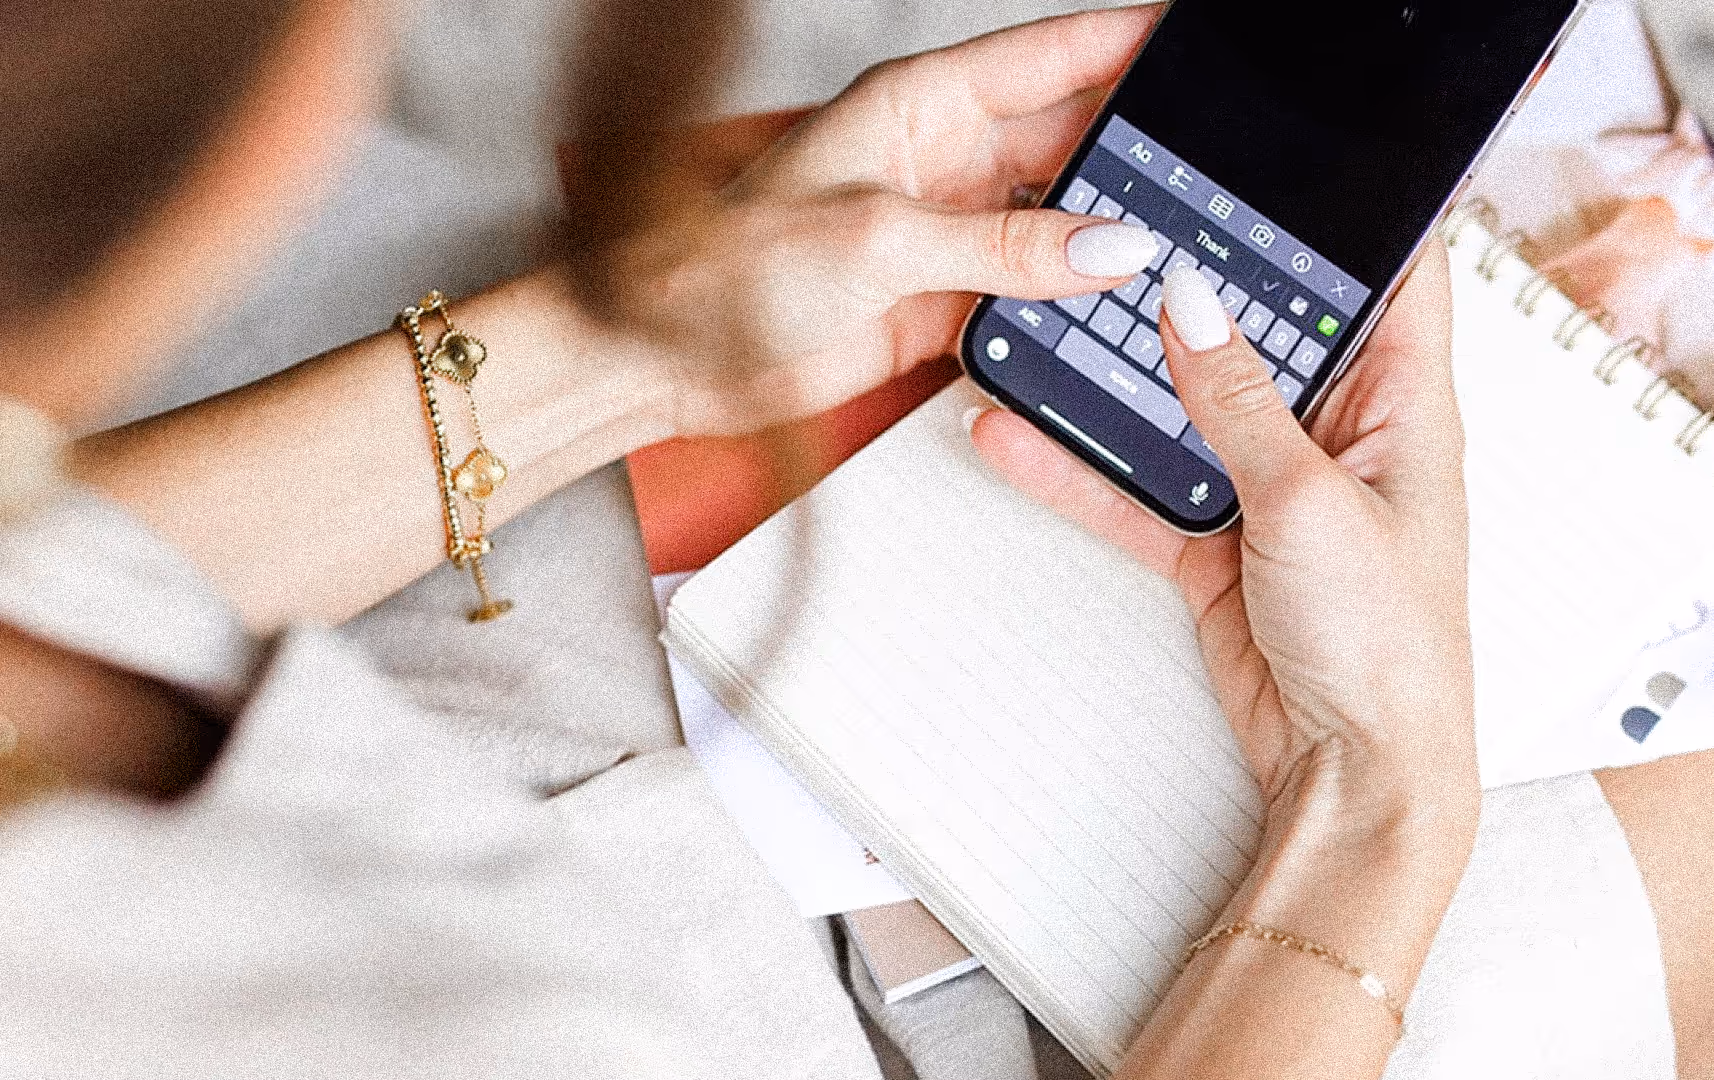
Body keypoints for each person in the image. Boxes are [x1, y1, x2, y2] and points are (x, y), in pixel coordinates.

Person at [0, 2, 1705, 1077]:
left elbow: (46, 593)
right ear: (271, 123)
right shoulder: (475, 1015)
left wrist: (640, 348)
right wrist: (1381, 804)